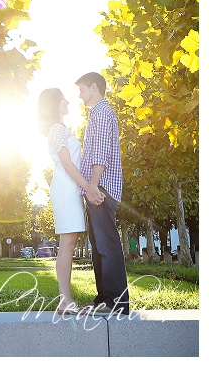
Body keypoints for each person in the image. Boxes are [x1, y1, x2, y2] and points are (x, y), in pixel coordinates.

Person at [76, 72, 130, 314]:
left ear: (94, 87)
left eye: (82, 89)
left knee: (106, 244)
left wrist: (93, 186)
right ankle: (104, 299)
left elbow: (100, 152)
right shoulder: (99, 112)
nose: (80, 94)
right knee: (99, 245)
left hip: (102, 186)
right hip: (101, 186)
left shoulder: (100, 111)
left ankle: (115, 302)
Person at [37, 88, 87, 315]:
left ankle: (66, 300)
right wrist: (88, 187)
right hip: (66, 190)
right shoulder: (56, 129)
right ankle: (66, 300)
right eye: (63, 99)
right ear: (55, 103)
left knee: (70, 242)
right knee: (67, 243)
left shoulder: (60, 129)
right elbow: (67, 164)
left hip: (70, 189)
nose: (67, 101)